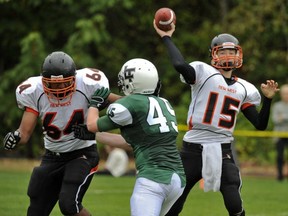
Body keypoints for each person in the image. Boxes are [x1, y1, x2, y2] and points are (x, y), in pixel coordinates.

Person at [153, 22, 279, 216]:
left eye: (232, 51)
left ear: (239, 54)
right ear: (213, 54)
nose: (228, 55)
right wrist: (166, 36)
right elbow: (179, 64)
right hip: (193, 148)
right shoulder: (203, 73)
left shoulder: (245, 88)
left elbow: (260, 125)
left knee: (234, 202)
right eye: (223, 51)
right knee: (174, 199)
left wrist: (268, 100)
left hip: (222, 149)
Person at [2, 51, 122, 216]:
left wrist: (141, 103)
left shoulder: (88, 85)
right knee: (36, 210)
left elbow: (122, 102)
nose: (58, 88)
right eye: (53, 84)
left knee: (69, 204)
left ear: (74, 79)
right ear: (43, 81)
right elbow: (24, 133)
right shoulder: (34, 91)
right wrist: (15, 137)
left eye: (63, 83)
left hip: (81, 153)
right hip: (52, 156)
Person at [75, 58, 186, 216]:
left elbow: (92, 124)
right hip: (177, 180)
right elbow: (129, 141)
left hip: (153, 179)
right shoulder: (163, 103)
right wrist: (96, 135)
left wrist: (94, 104)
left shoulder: (128, 106)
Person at [272, 84, 288, 181]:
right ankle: (280, 176)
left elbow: (281, 119)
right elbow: (275, 120)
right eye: (284, 93)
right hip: (279, 135)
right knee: (280, 156)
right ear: (281, 94)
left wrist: (283, 117)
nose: (286, 95)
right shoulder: (276, 106)